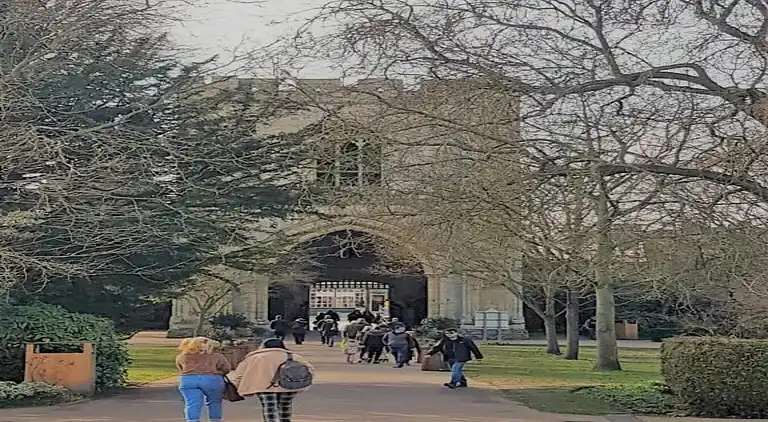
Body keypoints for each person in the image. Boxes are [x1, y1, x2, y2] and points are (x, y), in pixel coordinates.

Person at [228, 338, 315, 422]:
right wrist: (304, 382)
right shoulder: (293, 356)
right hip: (288, 384)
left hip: (263, 386)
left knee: (269, 407)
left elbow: (239, 373)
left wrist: (236, 386)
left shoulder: (255, 357)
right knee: (285, 406)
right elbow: (310, 369)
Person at [176, 337, 231, 422]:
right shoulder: (217, 356)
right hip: (212, 379)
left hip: (189, 380)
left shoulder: (182, 356)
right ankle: (215, 420)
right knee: (214, 402)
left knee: (192, 403)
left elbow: (181, 368)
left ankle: (192, 420)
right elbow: (226, 369)